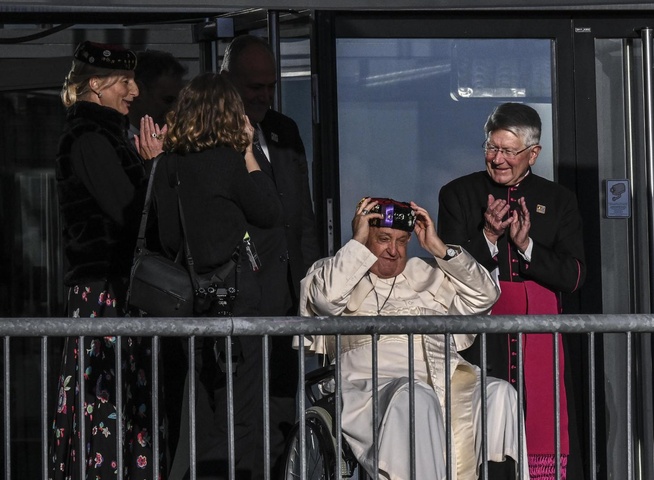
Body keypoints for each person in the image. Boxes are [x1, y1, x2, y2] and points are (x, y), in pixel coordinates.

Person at [300, 197, 525, 480]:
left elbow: (486, 295)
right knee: (416, 398)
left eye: (403, 241)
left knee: (498, 394)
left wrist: (437, 247)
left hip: (441, 377)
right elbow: (326, 301)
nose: (393, 250)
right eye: (383, 238)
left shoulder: (427, 272)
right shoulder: (333, 272)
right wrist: (357, 243)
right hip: (371, 383)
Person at [437, 102, 586, 479]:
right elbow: (448, 269)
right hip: (480, 335)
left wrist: (528, 248)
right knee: (481, 435)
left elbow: (574, 275)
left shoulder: (559, 200)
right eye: (492, 148)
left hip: (540, 335)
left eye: (508, 151)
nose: (498, 159)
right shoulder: (457, 194)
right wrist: (488, 236)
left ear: (533, 153)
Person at [152, 72, 281, 479]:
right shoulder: (228, 159)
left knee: (201, 410)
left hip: (189, 302)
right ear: (231, 113)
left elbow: (168, 235)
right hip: (236, 298)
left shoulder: (169, 164)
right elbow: (269, 212)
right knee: (241, 413)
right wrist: (247, 152)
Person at [51, 40, 158, 479]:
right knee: (104, 400)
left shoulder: (107, 135)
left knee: (113, 400)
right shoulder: (90, 138)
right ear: (95, 84)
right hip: (104, 294)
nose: (134, 91)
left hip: (113, 291)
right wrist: (155, 168)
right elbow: (130, 212)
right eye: (125, 82)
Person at [220, 34, 321, 467]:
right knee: (240, 417)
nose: (263, 95)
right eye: (253, 86)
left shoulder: (285, 131)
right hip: (241, 297)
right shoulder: (211, 137)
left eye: (269, 86)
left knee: (284, 408)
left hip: (289, 296)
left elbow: (304, 219)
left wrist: (316, 285)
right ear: (227, 83)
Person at [127, 49, 187, 160]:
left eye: (179, 102)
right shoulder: (112, 141)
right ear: (138, 91)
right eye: (168, 100)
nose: (174, 110)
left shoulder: (178, 141)